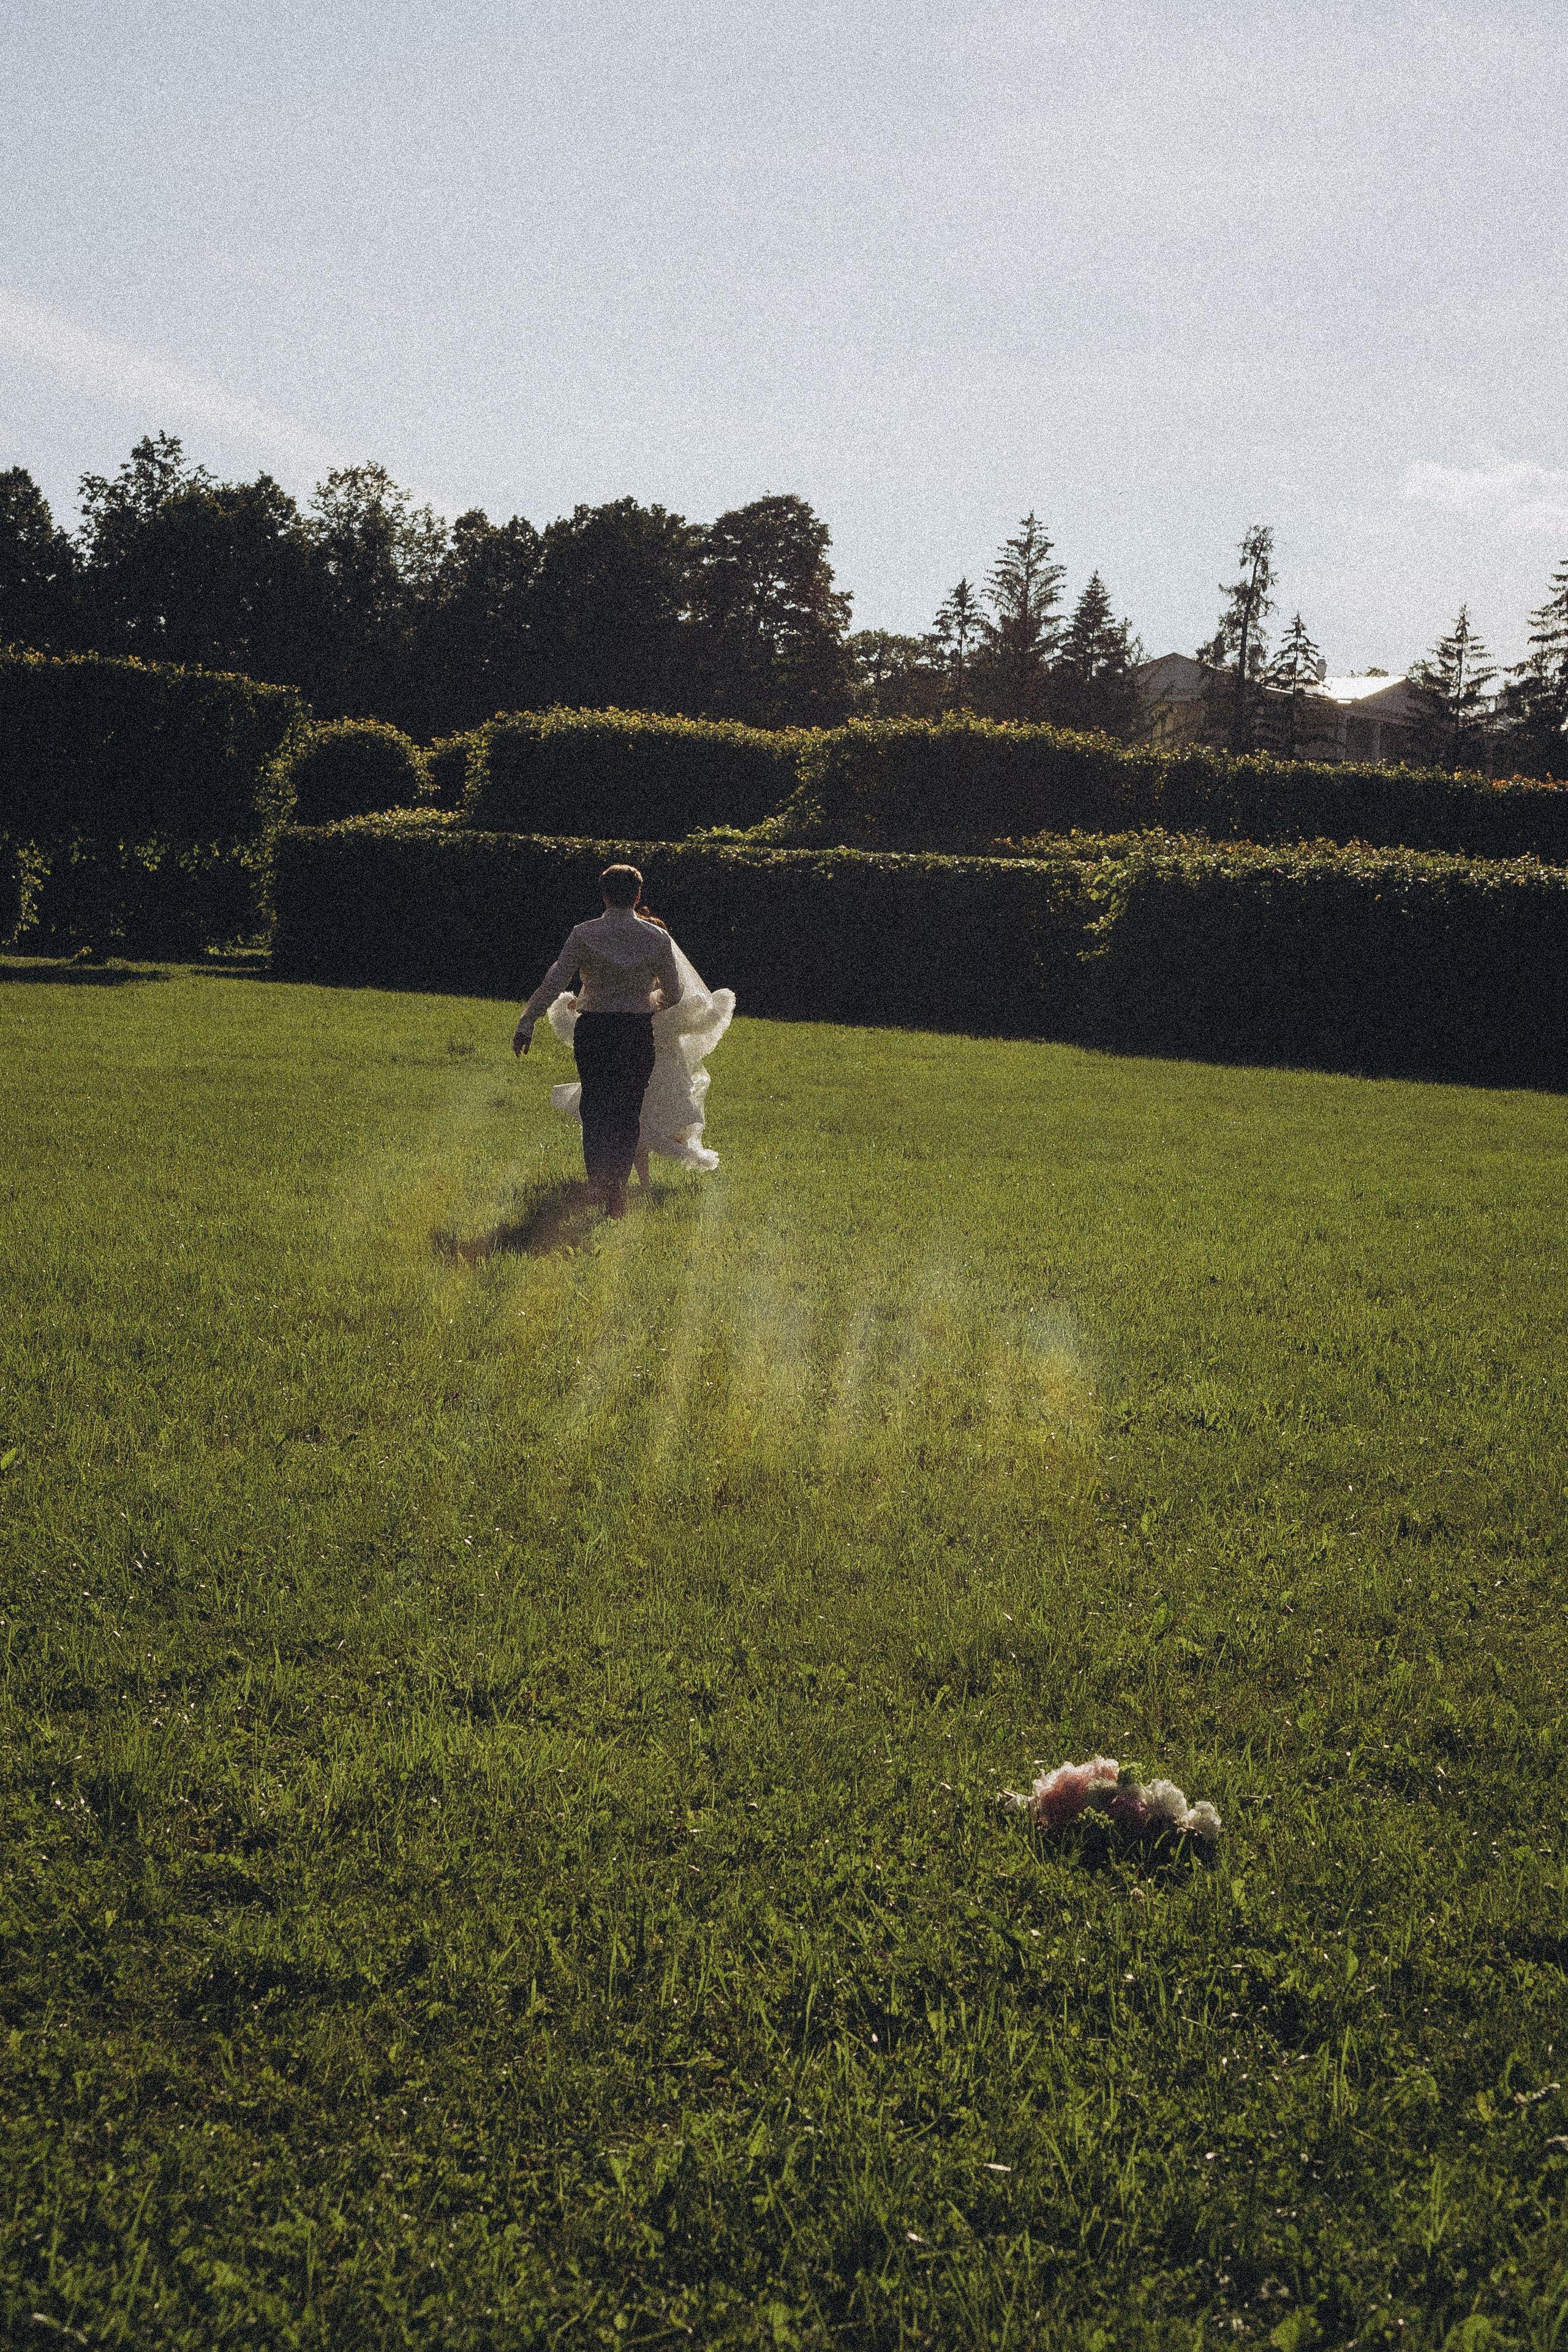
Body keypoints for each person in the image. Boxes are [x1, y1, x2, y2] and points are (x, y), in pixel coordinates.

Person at [512, 865, 700, 1218]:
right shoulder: (656, 938)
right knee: (628, 1112)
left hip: (595, 1031)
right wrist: (647, 1000)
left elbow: (555, 981)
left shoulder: (584, 934)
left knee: (596, 1107)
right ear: (638, 896)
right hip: (635, 1032)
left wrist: (527, 1021)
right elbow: (674, 993)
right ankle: (617, 1190)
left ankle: (599, 1182)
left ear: (604, 894)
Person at [546, 903, 734, 1184]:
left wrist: (717, 1006)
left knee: (645, 1122)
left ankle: (623, 1181)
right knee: (638, 1121)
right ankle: (632, 1181)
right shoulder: (658, 997)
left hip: (662, 1067)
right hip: (655, 1064)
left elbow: (695, 1022)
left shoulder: (661, 999)